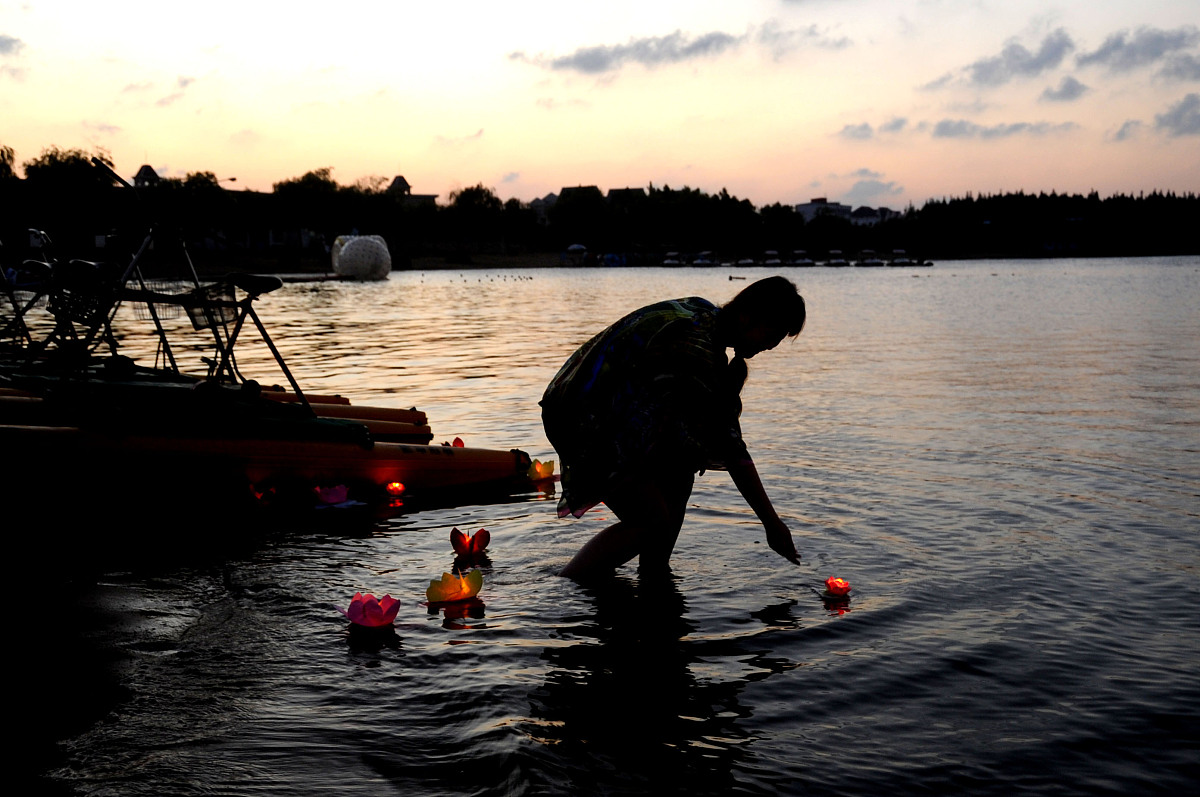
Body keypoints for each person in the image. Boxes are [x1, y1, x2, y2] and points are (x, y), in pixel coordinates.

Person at [540, 275, 806, 580]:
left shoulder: (708, 322)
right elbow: (731, 446)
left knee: (680, 470)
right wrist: (771, 523)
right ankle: (568, 583)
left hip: (615, 413)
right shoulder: (695, 344)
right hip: (581, 415)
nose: (772, 345)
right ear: (747, 316)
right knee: (651, 522)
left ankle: (654, 573)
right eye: (773, 333)